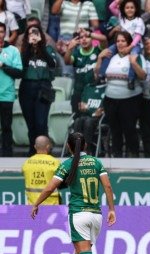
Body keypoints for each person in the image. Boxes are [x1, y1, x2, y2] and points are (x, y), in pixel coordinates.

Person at [30, 132, 116, 254]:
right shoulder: (96, 162)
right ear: (84, 146)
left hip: (78, 214)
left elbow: (49, 188)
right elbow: (107, 185)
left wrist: (36, 204)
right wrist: (112, 209)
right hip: (96, 215)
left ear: (69, 146)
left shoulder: (68, 164)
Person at [96, 31, 147, 157]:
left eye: (123, 41)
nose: (120, 43)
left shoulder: (136, 56)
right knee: (115, 131)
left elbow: (143, 76)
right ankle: (116, 158)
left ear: (129, 43)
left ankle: (133, 156)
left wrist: (134, 63)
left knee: (130, 130)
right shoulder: (109, 56)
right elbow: (97, 74)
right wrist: (99, 58)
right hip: (110, 99)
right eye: (118, 41)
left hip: (130, 100)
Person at [19, 24, 58, 156]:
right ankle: (32, 152)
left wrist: (41, 46)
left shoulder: (48, 49)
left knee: (41, 123)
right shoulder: (24, 51)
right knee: (31, 125)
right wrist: (30, 48)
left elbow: (52, 64)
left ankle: (44, 152)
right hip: (27, 87)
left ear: (41, 35)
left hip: (44, 87)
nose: (33, 36)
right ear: (27, 37)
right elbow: (21, 67)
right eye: (31, 34)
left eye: (36, 33)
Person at [99, 0, 145, 89]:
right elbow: (111, 7)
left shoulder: (139, 20)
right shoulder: (121, 16)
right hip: (121, 43)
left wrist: (130, 47)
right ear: (123, 9)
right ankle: (101, 75)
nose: (129, 10)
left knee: (132, 57)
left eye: (132, 8)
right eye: (127, 8)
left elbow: (138, 36)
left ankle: (131, 79)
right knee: (108, 51)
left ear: (136, 9)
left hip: (135, 44)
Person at [64, 28, 107, 114]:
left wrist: (89, 33)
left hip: (95, 93)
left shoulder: (98, 50)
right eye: (81, 37)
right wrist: (69, 49)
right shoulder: (76, 53)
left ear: (92, 38)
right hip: (78, 92)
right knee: (77, 121)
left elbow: (104, 39)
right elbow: (67, 61)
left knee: (92, 120)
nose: (84, 39)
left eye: (87, 37)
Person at [0, 21, 22, 157]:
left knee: (6, 127)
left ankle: (7, 155)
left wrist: (3, 65)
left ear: (5, 33)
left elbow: (19, 72)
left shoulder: (13, 50)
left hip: (6, 95)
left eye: (1, 31)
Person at [22, 136, 61, 205]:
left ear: (35, 146)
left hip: (32, 207)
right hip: (52, 206)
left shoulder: (27, 163)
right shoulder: (55, 162)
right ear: (48, 146)